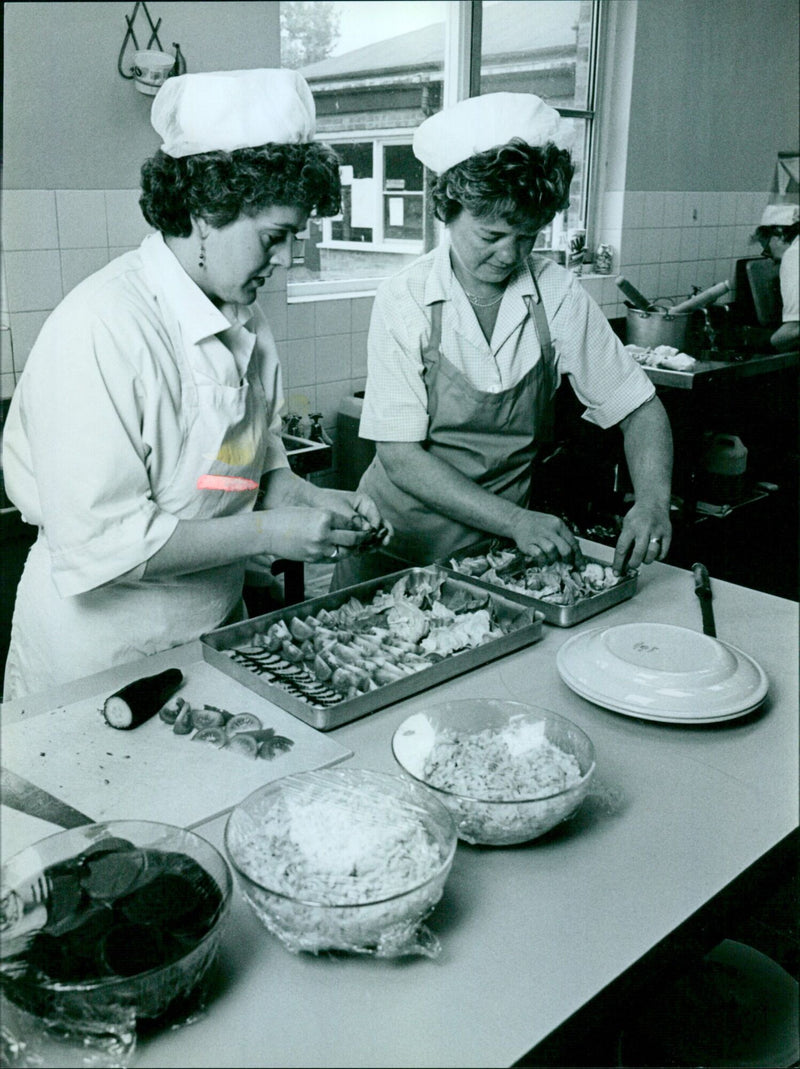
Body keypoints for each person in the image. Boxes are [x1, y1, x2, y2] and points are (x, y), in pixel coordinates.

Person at [2, 68, 388, 701]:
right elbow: (106, 547)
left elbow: (237, 476)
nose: (289, 258)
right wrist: (273, 534)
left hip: (212, 640)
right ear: (207, 212)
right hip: (98, 659)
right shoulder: (105, 327)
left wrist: (308, 502)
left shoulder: (246, 326)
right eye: (275, 236)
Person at [331, 93, 672, 590]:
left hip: (495, 559)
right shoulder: (405, 298)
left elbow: (639, 408)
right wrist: (515, 520)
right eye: (491, 234)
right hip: (395, 548)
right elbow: (400, 458)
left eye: (527, 235)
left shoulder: (555, 292)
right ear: (447, 212)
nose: (510, 254)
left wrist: (652, 502)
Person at [750, 203, 799, 352]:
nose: (770, 258)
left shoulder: (793, 255)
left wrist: (765, 347)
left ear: (779, 233)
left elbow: (794, 329)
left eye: (767, 249)